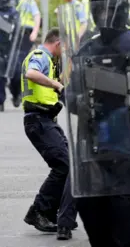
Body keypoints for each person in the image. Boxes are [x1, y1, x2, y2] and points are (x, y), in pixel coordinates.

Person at [62, 0, 130, 247]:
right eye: (98, 8)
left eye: (108, 8)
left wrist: (100, 80)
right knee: (98, 231)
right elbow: (71, 95)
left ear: (122, 11)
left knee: (128, 231)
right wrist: (81, 100)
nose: (102, 13)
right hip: (93, 154)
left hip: (129, 152)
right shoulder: (88, 48)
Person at [21, 28, 75, 235]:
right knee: (64, 165)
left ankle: (52, 212)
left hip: (46, 121)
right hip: (38, 120)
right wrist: (57, 86)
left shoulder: (50, 60)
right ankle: (39, 211)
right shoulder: (40, 56)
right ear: (59, 43)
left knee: (68, 163)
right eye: (66, 47)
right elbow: (31, 73)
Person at [2, 0, 41, 109]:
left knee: (17, 64)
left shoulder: (28, 0)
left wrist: (35, 32)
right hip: (10, 34)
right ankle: (11, 93)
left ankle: (17, 92)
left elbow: (36, 15)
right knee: (5, 64)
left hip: (25, 34)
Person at [0, 0, 19, 112]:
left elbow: (14, 28)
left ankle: (16, 94)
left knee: (17, 72)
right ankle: (0, 100)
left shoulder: (13, 12)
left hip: (11, 47)